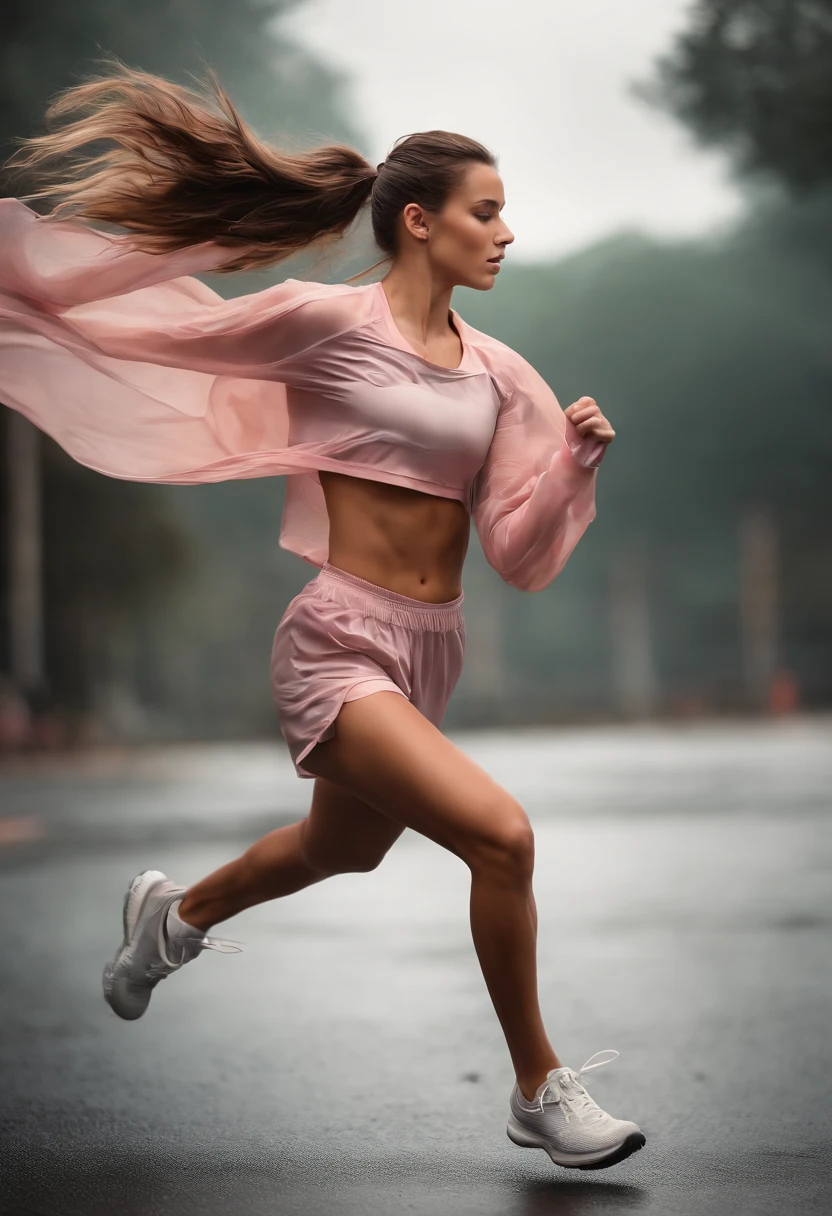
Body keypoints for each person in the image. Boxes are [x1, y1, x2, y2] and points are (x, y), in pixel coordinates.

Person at [0, 60, 645, 1172]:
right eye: (484, 212)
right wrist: (35, 291)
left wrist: (575, 467)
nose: (504, 233)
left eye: (505, 214)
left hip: (426, 651)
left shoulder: (500, 378)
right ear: (417, 221)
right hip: (339, 639)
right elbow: (162, 337)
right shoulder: (320, 322)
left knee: (338, 847)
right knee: (502, 836)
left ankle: (174, 917)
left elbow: (515, 552)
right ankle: (539, 1084)